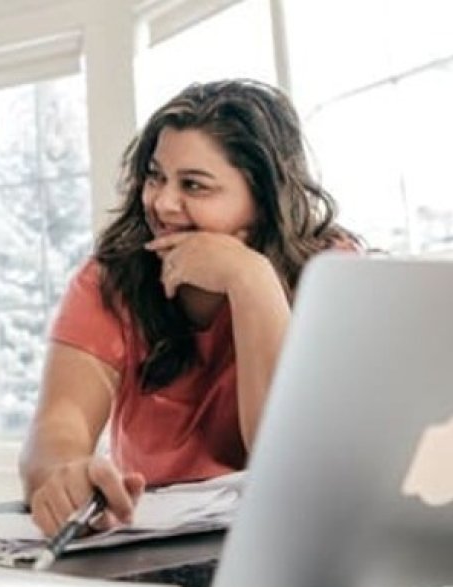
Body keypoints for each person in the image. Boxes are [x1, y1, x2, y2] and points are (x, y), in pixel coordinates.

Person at [21, 79, 359, 536]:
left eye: (194, 186)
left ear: (263, 199)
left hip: (290, 538)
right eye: (155, 176)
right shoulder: (111, 280)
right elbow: (61, 424)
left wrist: (250, 280)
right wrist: (64, 473)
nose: (161, 203)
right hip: (156, 543)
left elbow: (290, 465)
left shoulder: (329, 272)